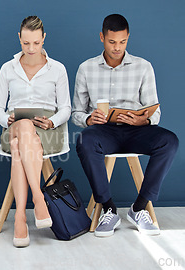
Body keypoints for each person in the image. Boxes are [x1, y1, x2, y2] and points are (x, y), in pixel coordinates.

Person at [72, 14, 179, 237]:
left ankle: (139, 207)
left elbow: (155, 110)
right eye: (112, 42)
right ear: (102, 37)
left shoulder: (143, 67)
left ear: (128, 38)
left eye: (122, 42)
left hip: (137, 130)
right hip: (103, 131)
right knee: (84, 140)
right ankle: (108, 208)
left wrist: (145, 119)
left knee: (169, 141)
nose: (117, 47)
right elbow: (76, 113)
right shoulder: (86, 68)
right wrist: (89, 119)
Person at [0, 16, 71, 247]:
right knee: (23, 125)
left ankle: (19, 219)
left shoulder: (58, 69)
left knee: (19, 147)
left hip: (47, 130)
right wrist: (7, 118)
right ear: (19, 38)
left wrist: (53, 121)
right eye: (26, 43)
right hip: (14, 126)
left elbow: (65, 107)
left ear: (44, 38)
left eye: (36, 43)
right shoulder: (8, 68)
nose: (31, 48)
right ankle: (38, 199)